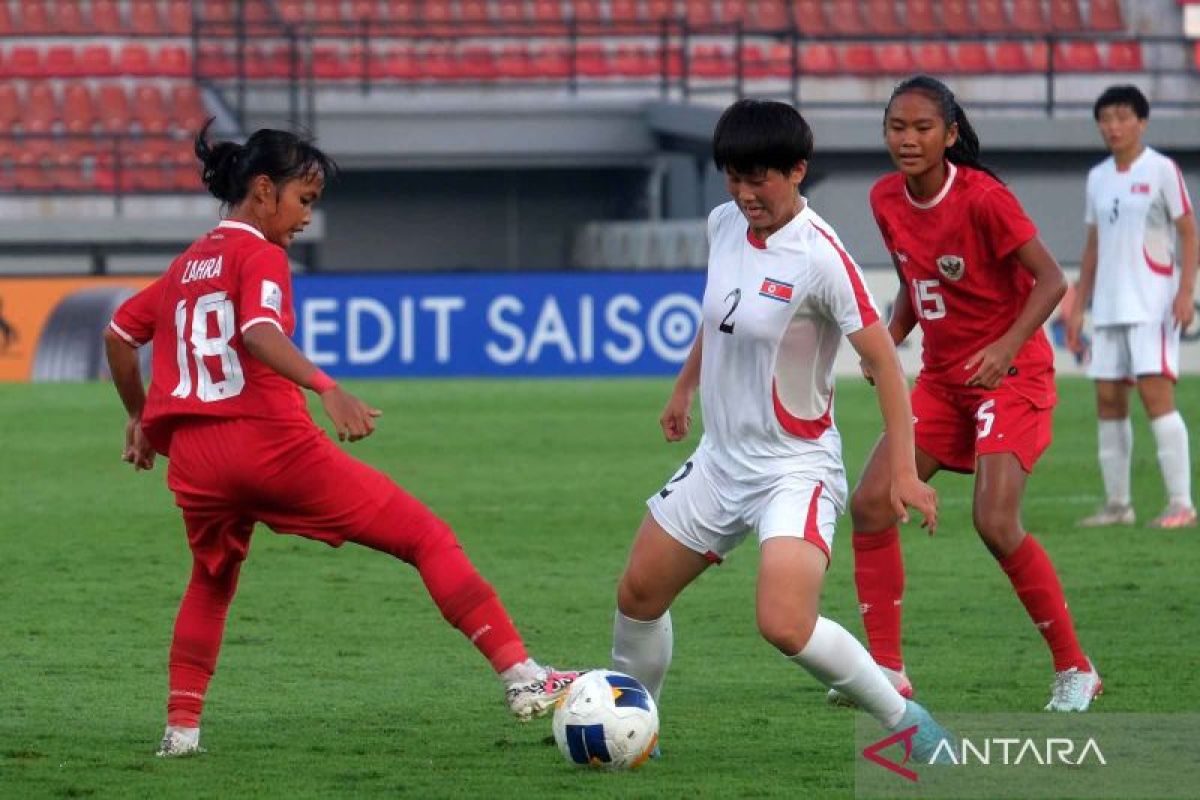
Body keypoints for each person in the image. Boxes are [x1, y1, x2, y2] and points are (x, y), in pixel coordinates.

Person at [103, 121, 578, 758]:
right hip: (269, 447)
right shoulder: (260, 254)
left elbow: (117, 334)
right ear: (265, 190)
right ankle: (523, 678)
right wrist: (327, 387)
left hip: (195, 462)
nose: (304, 217)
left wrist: (139, 418)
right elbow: (258, 333)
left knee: (210, 582)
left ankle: (181, 732)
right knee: (424, 536)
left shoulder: (188, 264)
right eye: (304, 200)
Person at [609, 99, 952, 763]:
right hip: (720, 460)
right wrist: (685, 387)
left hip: (794, 469)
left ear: (798, 171)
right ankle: (635, 730)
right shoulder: (723, 224)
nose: (743, 193)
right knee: (638, 593)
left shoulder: (822, 257)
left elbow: (884, 363)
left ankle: (905, 721)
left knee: (783, 623)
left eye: (758, 178)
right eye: (733, 177)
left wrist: (905, 471)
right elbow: (720, 317)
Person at [835, 75, 1100, 713]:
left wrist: (1006, 347)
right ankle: (887, 672)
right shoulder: (884, 199)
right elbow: (914, 280)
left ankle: (1075, 668)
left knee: (994, 521)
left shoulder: (984, 199)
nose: (908, 139)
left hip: (1011, 376)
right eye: (897, 127)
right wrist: (892, 336)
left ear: (950, 135)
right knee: (871, 502)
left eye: (923, 127)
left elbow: (1050, 281)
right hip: (942, 380)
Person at [1067, 84, 1197, 530]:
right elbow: (1092, 245)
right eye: (1106, 119)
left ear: (1141, 122)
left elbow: (1189, 231)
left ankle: (1181, 503)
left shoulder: (1162, 169)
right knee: (1108, 400)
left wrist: (1185, 292)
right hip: (1109, 305)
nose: (1113, 126)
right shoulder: (1098, 176)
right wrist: (1078, 304)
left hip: (1152, 304)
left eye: (1122, 117)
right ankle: (1119, 505)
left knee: (1156, 396)